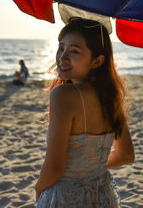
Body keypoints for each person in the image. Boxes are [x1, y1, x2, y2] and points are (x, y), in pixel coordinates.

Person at [35, 18, 135, 207]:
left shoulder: (63, 95)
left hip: (67, 198)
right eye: (61, 48)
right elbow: (126, 155)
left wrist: (39, 189)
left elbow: (55, 166)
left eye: (74, 51)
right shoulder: (110, 97)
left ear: (97, 60)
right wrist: (91, 170)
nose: (62, 57)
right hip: (101, 194)